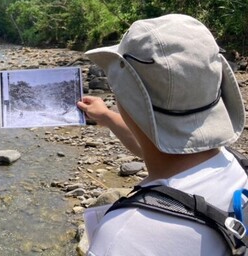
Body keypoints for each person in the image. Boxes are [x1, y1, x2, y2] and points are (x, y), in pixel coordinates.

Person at [77, 14, 247, 255]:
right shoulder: (234, 166)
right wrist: (108, 117)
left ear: (127, 98)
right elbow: (163, 150)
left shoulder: (124, 237)